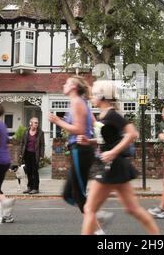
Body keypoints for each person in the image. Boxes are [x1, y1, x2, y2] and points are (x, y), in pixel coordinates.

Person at [79, 80, 159, 235]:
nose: (91, 97)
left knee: (89, 208)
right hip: (113, 166)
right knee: (132, 209)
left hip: (111, 166)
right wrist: (89, 141)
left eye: (94, 94)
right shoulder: (102, 116)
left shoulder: (112, 114)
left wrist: (113, 152)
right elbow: (107, 140)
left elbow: (132, 134)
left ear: (103, 96)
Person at [49, 76, 111, 235]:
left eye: (67, 83)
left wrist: (58, 121)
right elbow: (94, 124)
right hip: (82, 150)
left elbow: (78, 129)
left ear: (74, 87)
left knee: (77, 194)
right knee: (68, 194)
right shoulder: (81, 103)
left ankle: (97, 228)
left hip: (80, 150)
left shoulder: (77, 102)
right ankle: (96, 216)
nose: (64, 85)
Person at [20, 117, 45, 194]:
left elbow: (42, 145)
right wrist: (21, 153)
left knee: (35, 171)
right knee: (29, 171)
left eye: (37, 123)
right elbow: (22, 143)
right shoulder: (26, 132)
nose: (37, 124)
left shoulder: (40, 133)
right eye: (35, 122)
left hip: (35, 154)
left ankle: (35, 188)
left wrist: (41, 155)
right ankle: (29, 187)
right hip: (27, 154)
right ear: (30, 123)